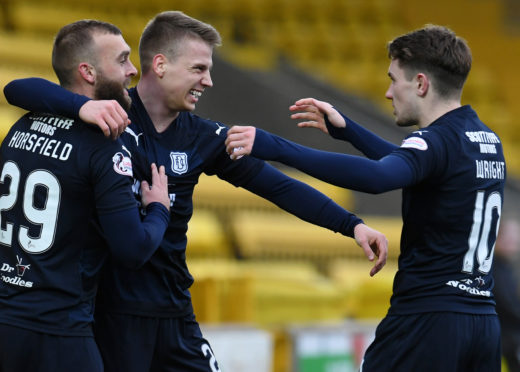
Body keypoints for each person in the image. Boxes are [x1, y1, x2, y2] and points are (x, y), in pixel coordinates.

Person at [3, 11, 389, 372]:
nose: (208, 81)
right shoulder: (112, 118)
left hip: (175, 312)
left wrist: (351, 225)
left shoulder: (203, 137)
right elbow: (21, 88)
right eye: (199, 69)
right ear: (161, 65)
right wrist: (78, 106)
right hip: (113, 317)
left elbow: (278, 187)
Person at [224, 25, 505, 371]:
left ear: (420, 84)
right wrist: (349, 132)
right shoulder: (485, 140)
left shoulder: (435, 142)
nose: (388, 93)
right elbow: (419, 167)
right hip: (482, 323)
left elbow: (381, 176)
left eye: (393, 80)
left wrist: (272, 145)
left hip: (428, 320)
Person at [0, 20, 171, 372]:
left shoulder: (20, 126)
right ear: (88, 72)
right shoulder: (104, 148)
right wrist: (158, 210)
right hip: (58, 332)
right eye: (122, 59)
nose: (132, 70)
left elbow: (16, 89)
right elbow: (132, 249)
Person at [493, 217, 520, 371]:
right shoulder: (493, 267)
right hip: (501, 338)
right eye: (510, 237)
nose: (515, 242)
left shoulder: (504, 266)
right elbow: (507, 305)